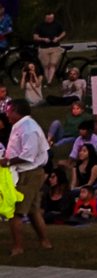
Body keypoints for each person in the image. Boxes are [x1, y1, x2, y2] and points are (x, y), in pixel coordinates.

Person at [5, 97, 52, 255]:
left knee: (15, 211)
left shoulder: (29, 128)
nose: (7, 114)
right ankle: (45, 243)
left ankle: (18, 248)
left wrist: (7, 161)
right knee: (33, 210)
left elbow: (28, 155)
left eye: (9, 111)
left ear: (16, 111)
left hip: (29, 172)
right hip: (23, 171)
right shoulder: (20, 126)